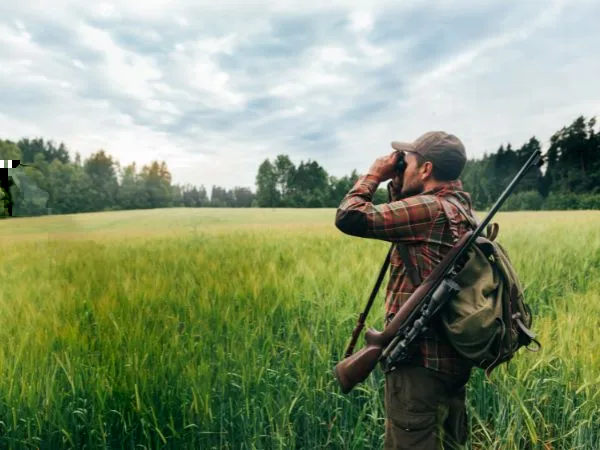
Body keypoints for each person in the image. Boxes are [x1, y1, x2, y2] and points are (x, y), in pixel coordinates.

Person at [335, 131, 476, 449]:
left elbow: (349, 215)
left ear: (426, 169)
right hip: (453, 361)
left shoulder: (429, 210)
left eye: (406, 161)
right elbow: (403, 225)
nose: (399, 166)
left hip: (417, 367)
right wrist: (399, 185)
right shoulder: (462, 210)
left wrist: (376, 173)